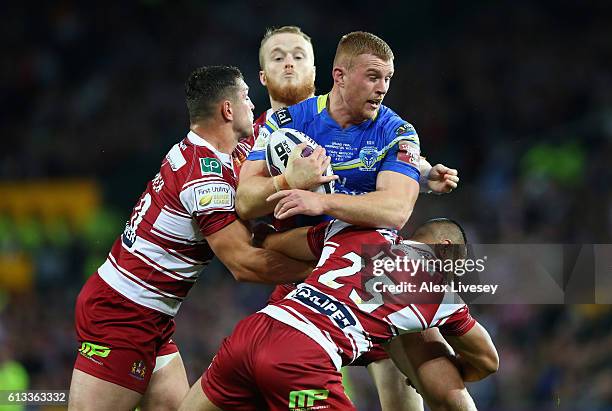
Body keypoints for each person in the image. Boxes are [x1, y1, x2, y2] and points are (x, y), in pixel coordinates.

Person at [237, 28, 463, 410]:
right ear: (339, 76)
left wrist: (322, 202)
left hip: (376, 279)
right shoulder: (284, 123)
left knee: (446, 395)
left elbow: (395, 210)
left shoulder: (397, 130)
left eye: (387, 79)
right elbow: (245, 202)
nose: (383, 88)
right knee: (270, 387)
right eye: (374, 77)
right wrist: (291, 180)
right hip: (309, 285)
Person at [67, 66, 314, 411]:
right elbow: (244, 264)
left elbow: (274, 122)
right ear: (227, 110)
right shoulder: (203, 176)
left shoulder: (219, 152)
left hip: (151, 314)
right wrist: (321, 273)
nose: (251, 104)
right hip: (123, 314)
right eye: (245, 96)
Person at [179, 218, 499, 411]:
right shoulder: (435, 287)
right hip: (302, 357)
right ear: (445, 247)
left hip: (256, 328)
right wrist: (455, 372)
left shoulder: (353, 231)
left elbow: (282, 242)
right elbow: (488, 360)